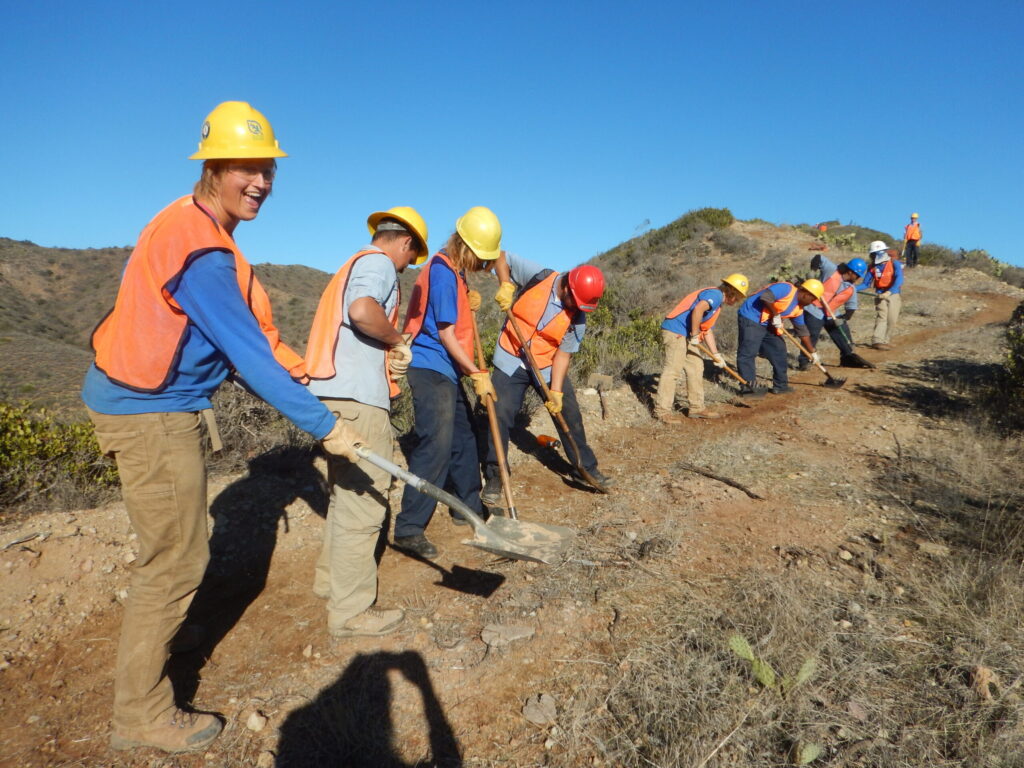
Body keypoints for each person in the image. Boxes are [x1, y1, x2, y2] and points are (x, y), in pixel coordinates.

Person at [82, 102, 364, 754]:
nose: (261, 181)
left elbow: (247, 344)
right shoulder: (205, 252)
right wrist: (327, 427)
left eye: (267, 167)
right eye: (247, 167)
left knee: (178, 552)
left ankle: (163, 642)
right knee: (174, 560)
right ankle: (140, 712)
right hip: (149, 412)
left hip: (148, 401)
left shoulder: (192, 226)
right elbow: (247, 358)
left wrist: (300, 380)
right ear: (212, 166)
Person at [305, 207, 429, 637]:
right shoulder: (378, 264)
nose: (408, 266)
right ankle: (351, 612)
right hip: (357, 401)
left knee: (345, 494)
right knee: (368, 499)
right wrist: (397, 339)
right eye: (411, 259)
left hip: (333, 397)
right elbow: (362, 310)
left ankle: (330, 585)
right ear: (405, 243)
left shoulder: (351, 263)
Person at [392, 206, 500, 559]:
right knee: (435, 445)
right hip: (430, 367)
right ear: (465, 246)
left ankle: (465, 508)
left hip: (448, 368)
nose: (483, 267)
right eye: (481, 260)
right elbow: (448, 336)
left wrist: (466, 298)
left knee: (464, 440)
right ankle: (409, 528)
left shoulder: (454, 272)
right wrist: (477, 373)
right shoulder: (440, 271)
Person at [480, 255, 611, 505]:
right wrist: (506, 284)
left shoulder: (578, 316)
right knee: (499, 414)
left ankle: (585, 468)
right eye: (576, 302)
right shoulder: (540, 276)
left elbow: (563, 355)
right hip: (511, 356)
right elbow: (501, 257)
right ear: (567, 287)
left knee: (570, 415)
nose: (578, 309)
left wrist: (557, 392)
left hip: (547, 366)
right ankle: (496, 475)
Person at [653, 273, 750, 423]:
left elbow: (707, 330)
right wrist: (694, 334)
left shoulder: (717, 306)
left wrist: (716, 354)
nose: (737, 300)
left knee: (696, 366)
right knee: (673, 370)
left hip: (686, 334)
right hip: (675, 331)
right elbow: (698, 310)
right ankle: (662, 411)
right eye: (737, 297)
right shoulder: (716, 295)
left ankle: (697, 407)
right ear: (732, 292)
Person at [735, 279, 824, 396]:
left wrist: (812, 352)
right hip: (752, 317)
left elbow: (802, 331)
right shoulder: (786, 289)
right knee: (748, 352)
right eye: (812, 299)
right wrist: (776, 315)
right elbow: (766, 297)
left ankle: (781, 386)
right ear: (806, 293)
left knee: (779, 350)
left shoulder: (798, 309)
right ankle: (748, 389)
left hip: (768, 323)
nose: (812, 302)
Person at [799, 255, 869, 368]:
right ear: (850, 272)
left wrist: (844, 318)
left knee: (844, 335)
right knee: (811, 336)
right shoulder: (832, 270)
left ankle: (847, 359)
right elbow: (818, 257)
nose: (858, 278)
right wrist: (812, 271)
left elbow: (851, 308)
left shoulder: (851, 288)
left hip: (831, 314)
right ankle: (804, 362)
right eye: (857, 275)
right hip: (814, 309)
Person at [861, 240, 904, 350]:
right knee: (882, 316)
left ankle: (886, 340)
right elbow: (866, 283)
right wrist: (851, 288)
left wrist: (889, 292)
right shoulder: (872, 267)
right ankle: (877, 340)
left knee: (892, 319)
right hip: (880, 294)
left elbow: (899, 279)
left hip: (893, 294)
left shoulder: (894, 263)